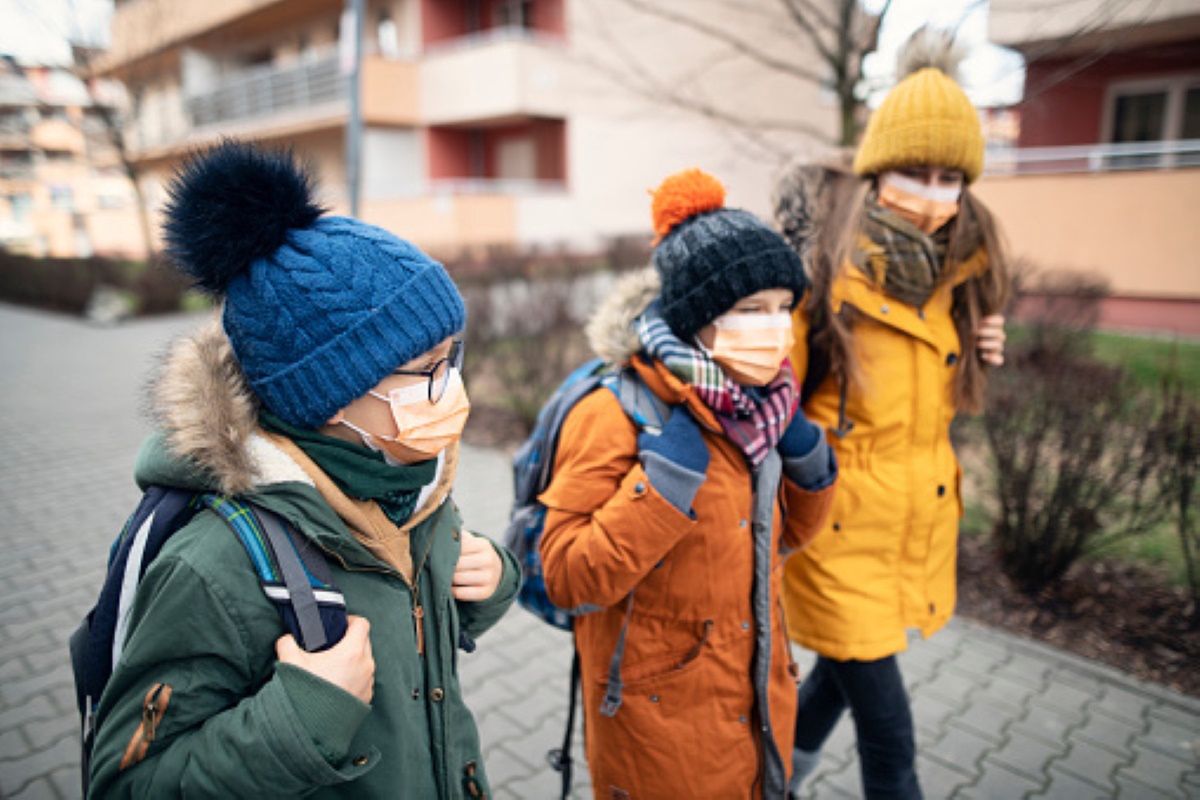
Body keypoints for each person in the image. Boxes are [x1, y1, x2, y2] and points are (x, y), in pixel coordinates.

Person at [87, 141, 519, 798]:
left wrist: (492, 582)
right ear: (324, 392)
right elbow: (126, 784)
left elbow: (416, 628)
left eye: (451, 359)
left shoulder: (405, 480)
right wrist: (299, 717)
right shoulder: (213, 565)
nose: (449, 387)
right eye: (423, 371)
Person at [539, 168, 838, 798]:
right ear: (696, 316)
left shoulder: (763, 410)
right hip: (659, 730)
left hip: (758, 701)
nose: (775, 329)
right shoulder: (616, 412)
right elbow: (567, 577)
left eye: (784, 308)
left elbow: (784, 543)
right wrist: (663, 484)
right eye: (750, 310)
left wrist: (809, 463)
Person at [772, 30, 1011, 799]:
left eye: (950, 177)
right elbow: (773, 407)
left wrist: (974, 348)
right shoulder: (822, 277)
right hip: (837, 534)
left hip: (912, 529)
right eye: (915, 170)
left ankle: (774, 781)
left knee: (842, 682)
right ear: (877, 170)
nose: (934, 192)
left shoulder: (954, 278)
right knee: (891, 737)